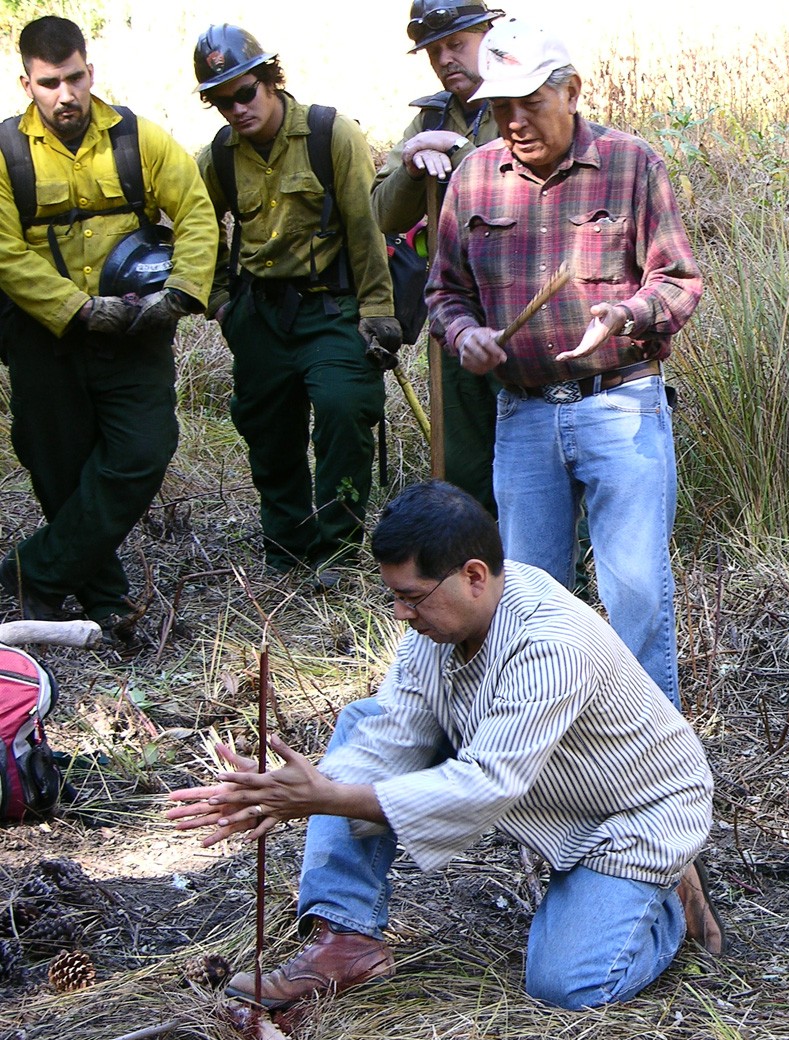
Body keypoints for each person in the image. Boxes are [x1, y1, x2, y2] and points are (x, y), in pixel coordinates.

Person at [167, 480, 721, 1012]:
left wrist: (324, 798)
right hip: (553, 792)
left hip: (639, 814)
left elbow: (485, 784)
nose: (401, 615)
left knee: (568, 985)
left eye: (411, 598)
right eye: (394, 597)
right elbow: (393, 733)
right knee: (365, 722)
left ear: (474, 576)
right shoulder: (444, 625)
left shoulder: (551, 643)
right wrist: (286, 793)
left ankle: (666, 897)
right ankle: (343, 937)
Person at [425, 18, 702, 708]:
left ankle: (655, 761)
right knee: (531, 598)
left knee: (637, 593)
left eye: (529, 104)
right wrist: (463, 337)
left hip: (621, 404)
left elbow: (678, 281)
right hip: (522, 415)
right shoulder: (475, 180)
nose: (513, 122)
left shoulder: (631, 163)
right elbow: (444, 293)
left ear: (572, 90)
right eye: (499, 108)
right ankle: (547, 755)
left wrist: (628, 314)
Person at [0, 16, 216, 644]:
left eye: (74, 78)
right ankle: (102, 597)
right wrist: (76, 308)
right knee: (57, 463)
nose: (65, 95)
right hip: (46, 336)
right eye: (49, 83)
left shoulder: (139, 138)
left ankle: (30, 572)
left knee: (144, 449)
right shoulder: (7, 151)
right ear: (27, 83)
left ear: (90, 71)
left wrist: (179, 294)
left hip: (137, 332)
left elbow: (196, 211)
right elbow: (6, 252)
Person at [193, 25, 403, 587]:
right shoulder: (216, 156)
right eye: (221, 100)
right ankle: (286, 542)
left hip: (331, 307)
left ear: (269, 80)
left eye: (245, 92)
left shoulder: (329, 134)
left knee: (343, 409)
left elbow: (366, 225)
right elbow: (194, 224)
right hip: (259, 313)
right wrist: (218, 300)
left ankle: (335, 549)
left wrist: (378, 313)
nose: (236, 109)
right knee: (266, 427)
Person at [371, 1, 504, 514]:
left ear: (488, 34)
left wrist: (461, 155)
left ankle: (558, 578)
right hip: (456, 306)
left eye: (457, 44)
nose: (446, 59)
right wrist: (410, 164)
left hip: (524, 301)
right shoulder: (429, 115)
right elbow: (382, 213)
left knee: (539, 447)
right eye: (434, 50)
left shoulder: (523, 95)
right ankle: (478, 570)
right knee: (464, 454)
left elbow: (531, 183)